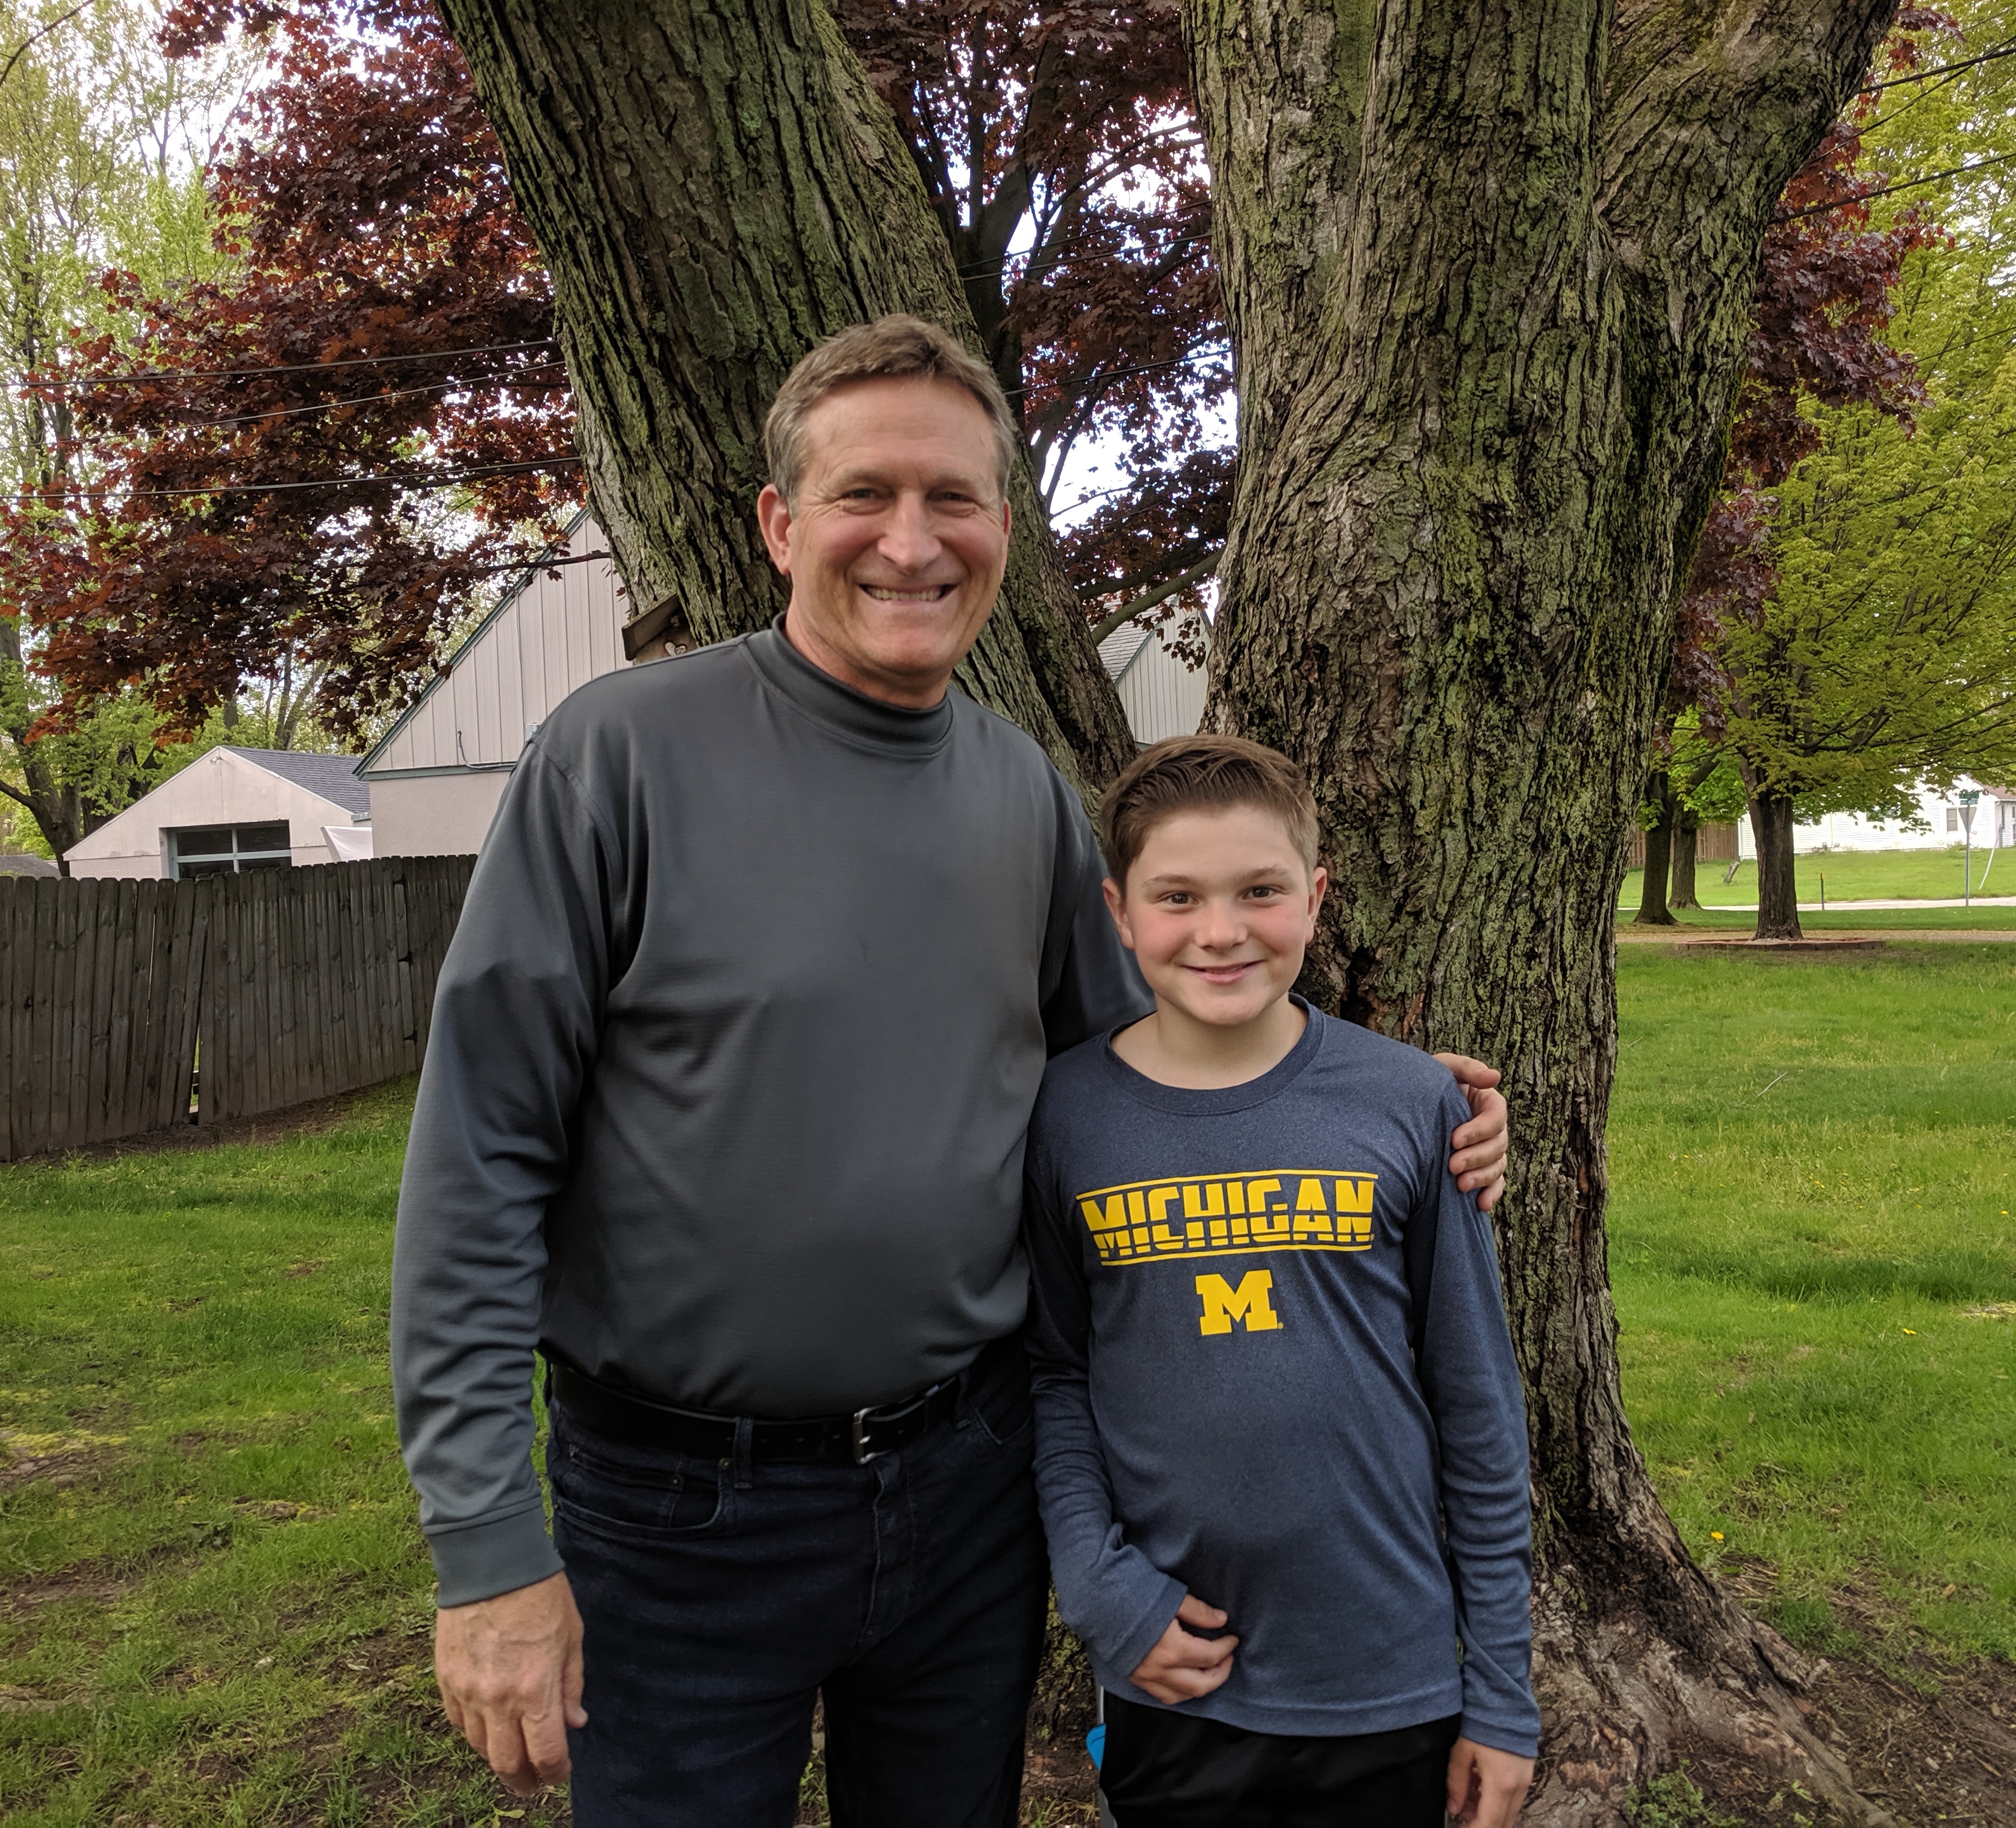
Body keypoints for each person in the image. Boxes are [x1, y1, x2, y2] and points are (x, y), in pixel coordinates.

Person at [390, 314, 1514, 1827]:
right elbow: (478, 1161)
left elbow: (1169, 1062)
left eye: (954, 500)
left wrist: (1400, 1106)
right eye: (863, 495)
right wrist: (486, 1554)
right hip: (677, 1511)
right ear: (781, 524)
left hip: (962, 1493)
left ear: (1002, 532)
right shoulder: (616, 760)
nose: (909, 542)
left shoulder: (1022, 798)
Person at [1026, 734, 1540, 1828]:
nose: (1222, 931)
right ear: (1120, 915)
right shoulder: (1065, 1117)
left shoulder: (1411, 1108)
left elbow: (1480, 1412)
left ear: (1313, 898)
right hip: (1173, 1668)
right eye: (1178, 897)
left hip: (1385, 1678)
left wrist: (1502, 1696)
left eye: (1260, 891)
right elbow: (1056, 1374)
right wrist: (1099, 1591)